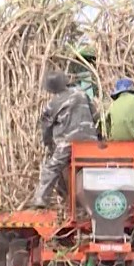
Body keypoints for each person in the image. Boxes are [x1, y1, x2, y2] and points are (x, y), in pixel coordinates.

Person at [30, 69, 100, 208]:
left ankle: (41, 199)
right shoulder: (82, 94)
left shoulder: (53, 103)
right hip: (91, 142)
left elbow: (46, 127)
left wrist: (47, 142)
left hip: (69, 142)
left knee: (51, 168)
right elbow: (96, 115)